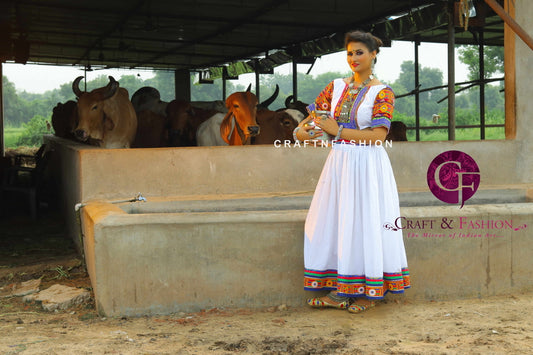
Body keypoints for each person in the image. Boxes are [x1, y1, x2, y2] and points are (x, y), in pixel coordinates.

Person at [293, 30, 410, 314]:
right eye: (349, 53)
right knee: (335, 222)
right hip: (339, 164)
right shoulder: (334, 87)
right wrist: (301, 132)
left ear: (373, 55)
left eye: (359, 52)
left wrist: (339, 130)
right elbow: (310, 124)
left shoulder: (382, 91)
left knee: (366, 224)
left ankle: (369, 292)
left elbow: (379, 137)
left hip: (368, 165)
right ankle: (341, 289)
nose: (353, 58)